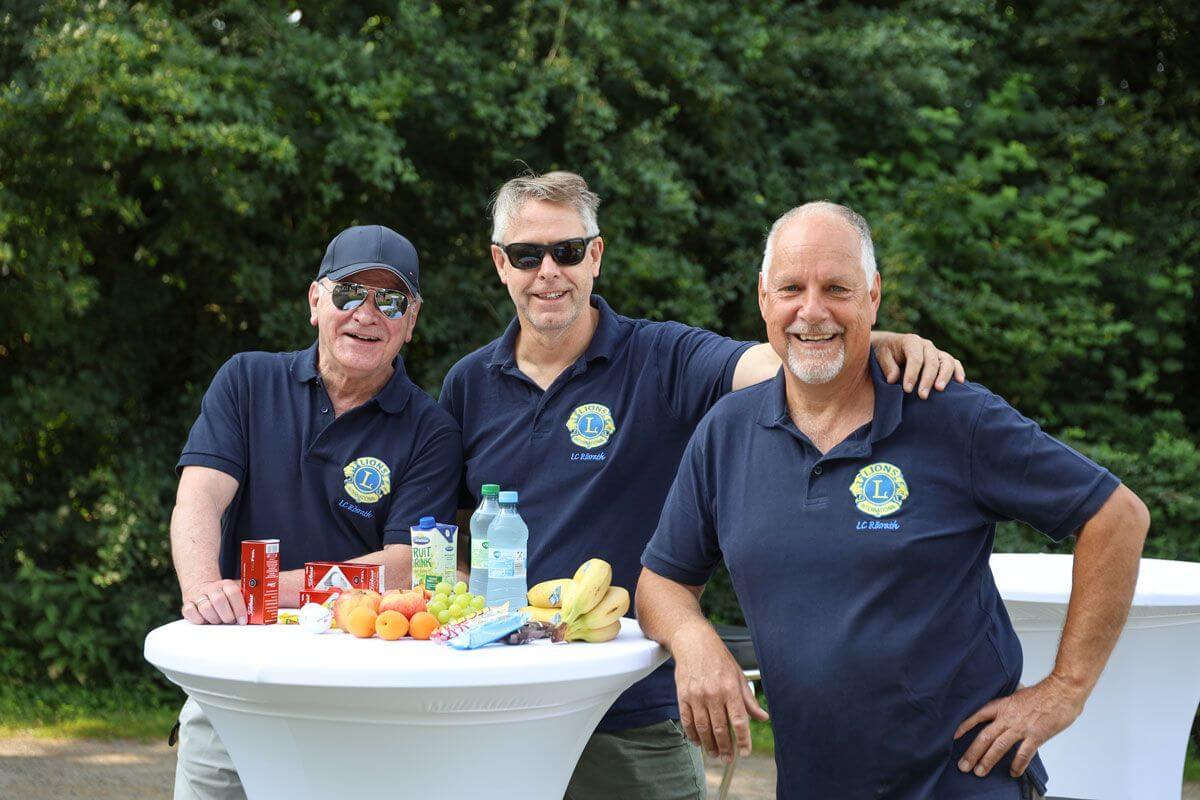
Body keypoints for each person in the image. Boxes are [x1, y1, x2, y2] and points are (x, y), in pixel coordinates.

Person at [437, 172, 964, 799]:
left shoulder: (660, 356)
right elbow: (453, 538)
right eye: (528, 255)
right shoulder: (468, 383)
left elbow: (769, 364)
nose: (549, 271)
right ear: (501, 264)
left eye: (568, 251)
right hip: (496, 710)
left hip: (633, 716)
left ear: (596, 256)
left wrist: (864, 342)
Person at [636, 202, 1150, 799]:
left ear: (873, 296)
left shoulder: (952, 415)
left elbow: (1117, 515)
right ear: (763, 298)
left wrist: (1065, 690)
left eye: (837, 289)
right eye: (791, 288)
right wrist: (694, 640)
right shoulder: (726, 432)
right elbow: (661, 581)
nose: (812, 310)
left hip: (959, 784)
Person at [169, 225, 462, 800]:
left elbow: (404, 566)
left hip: (359, 682)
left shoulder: (432, 430)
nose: (367, 314)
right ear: (315, 301)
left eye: (391, 301)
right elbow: (199, 496)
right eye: (350, 293)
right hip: (236, 674)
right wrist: (204, 591)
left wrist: (257, 591)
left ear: (411, 321)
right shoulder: (247, 380)